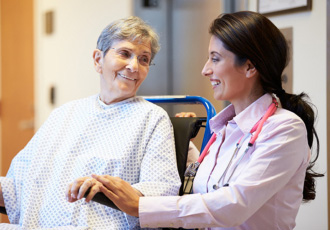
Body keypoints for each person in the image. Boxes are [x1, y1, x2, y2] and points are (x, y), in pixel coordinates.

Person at [72, 11, 324, 229]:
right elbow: (207, 187)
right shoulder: (225, 129)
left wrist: (140, 205)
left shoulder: (284, 128)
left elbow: (233, 204)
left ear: (249, 67)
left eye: (215, 58)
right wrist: (186, 147)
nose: (205, 69)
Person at [0, 16, 181, 229]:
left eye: (144, 59)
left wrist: (110, 190)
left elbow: (161, 192)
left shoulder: (152, 118)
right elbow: (17, 186)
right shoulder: (64, 113)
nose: (134, 66)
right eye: (125, 53)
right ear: (98, 59)